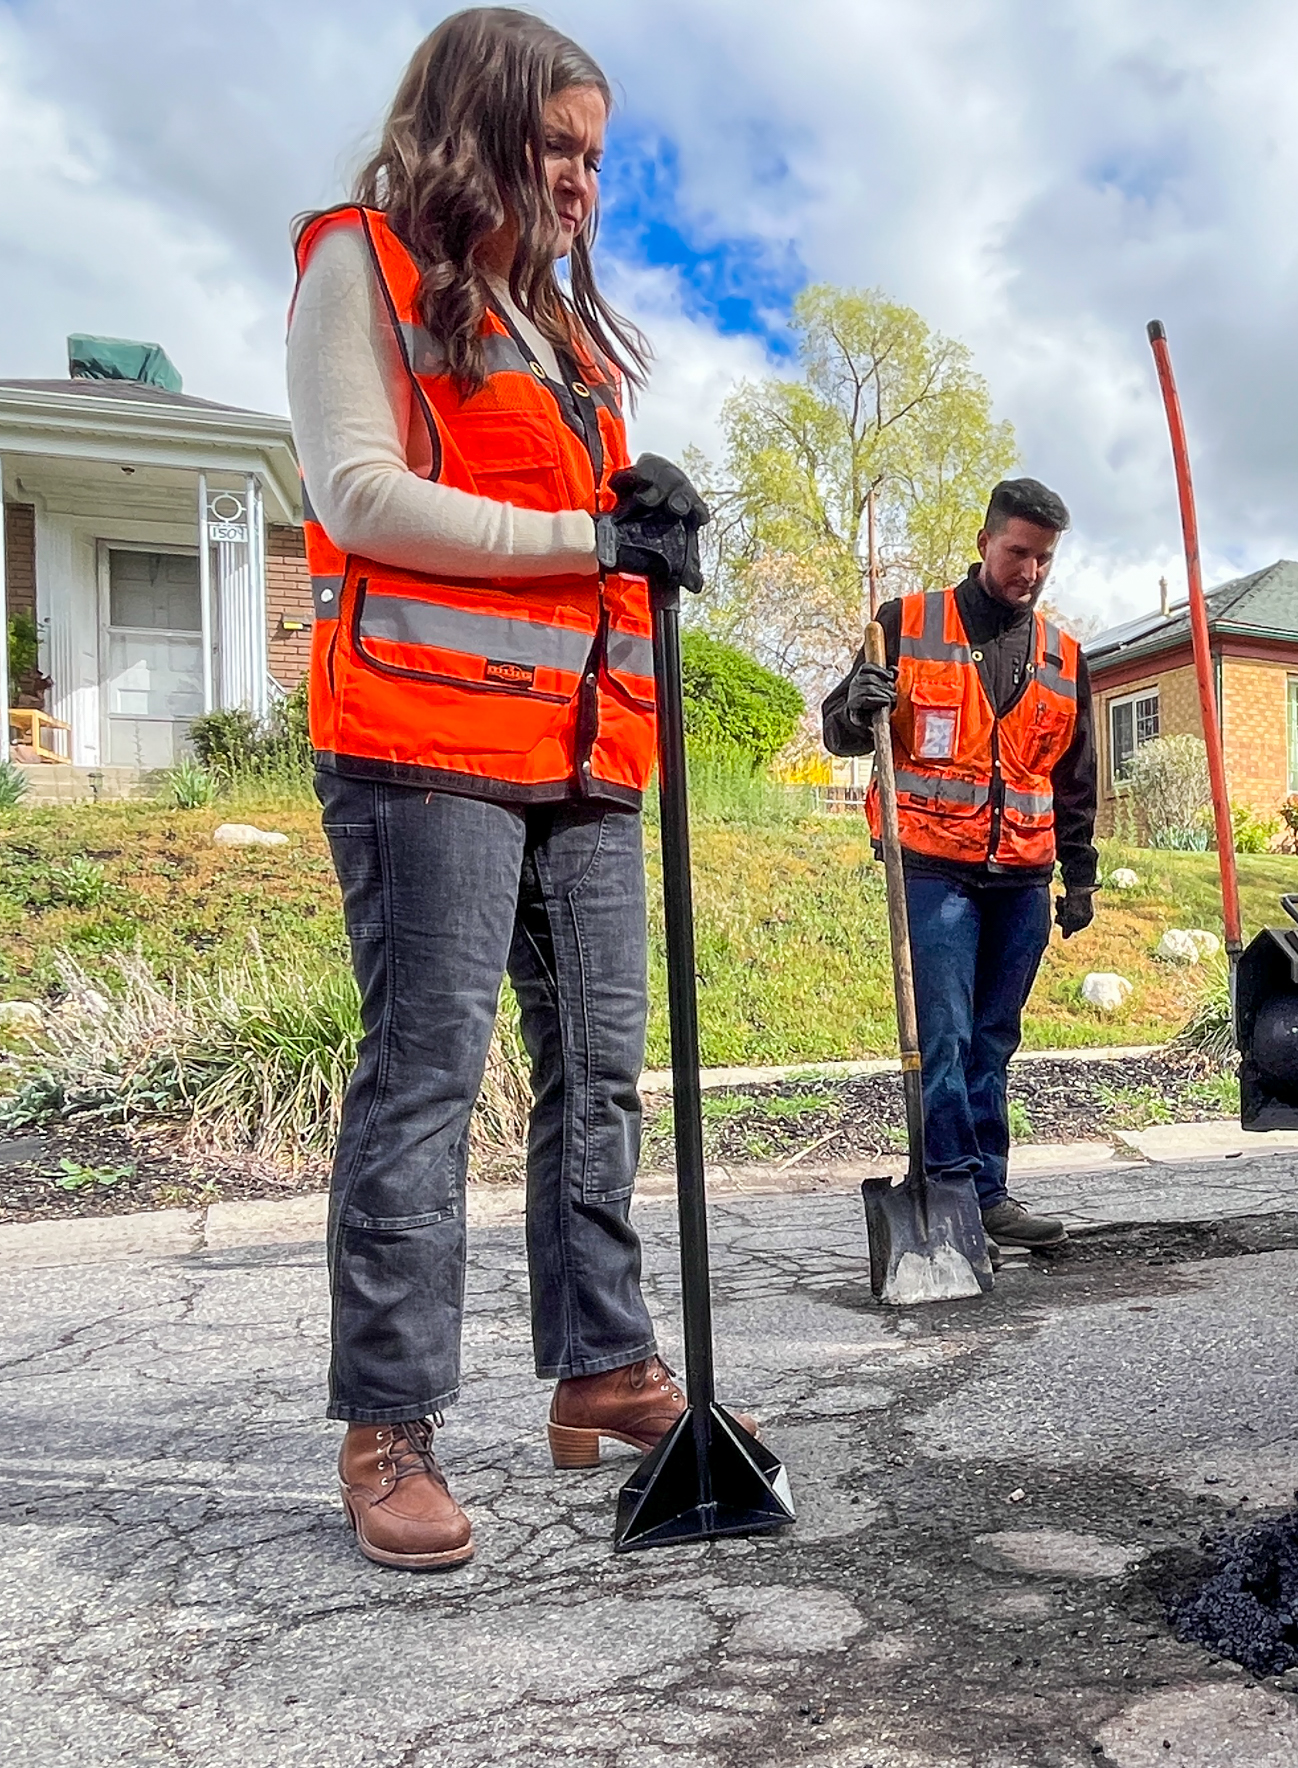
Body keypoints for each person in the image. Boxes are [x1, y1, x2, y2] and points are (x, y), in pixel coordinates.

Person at [289, 7, 731, 1571]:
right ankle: (389, 1426)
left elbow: (584, 536)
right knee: (427, 1080)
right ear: (472, 125)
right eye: (560, 146)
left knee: (599, 1073)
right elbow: (357, 492)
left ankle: (599, 1365)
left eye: (598, 159)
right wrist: (585, 541)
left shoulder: (558, 334)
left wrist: (649, 509)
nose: (583, 183)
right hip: (423, 753)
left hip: (584, 758)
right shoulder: (366, 265)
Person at [821, 480, 1099, 1251]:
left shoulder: (1064, 656)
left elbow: (1075, 779)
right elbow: (837, 734)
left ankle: (988, 1194)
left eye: (1045, 558)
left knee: (993, 1038)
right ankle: (947, 1187)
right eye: (1018, 552)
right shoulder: (904, 626)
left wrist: (1081, 876)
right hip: (933, 868)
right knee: (941, 1036)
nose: (1031, 571)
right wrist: (857, 705)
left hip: (1021, 876)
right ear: (984, 543)